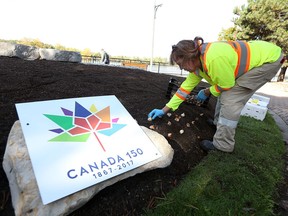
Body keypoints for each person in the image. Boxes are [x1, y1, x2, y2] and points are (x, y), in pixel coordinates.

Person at [148, 36, 284, 153]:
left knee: (231, 97)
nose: (181, 68)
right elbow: (184, 89)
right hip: (263, 56)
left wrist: (207, 91)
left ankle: (223, 145)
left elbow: (227, 85)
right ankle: (219, 124)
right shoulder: (198, 65)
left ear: (189, 58)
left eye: (180, 64)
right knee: (225, 93)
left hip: (268, 61)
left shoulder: (213, 59)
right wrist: (164, 109)